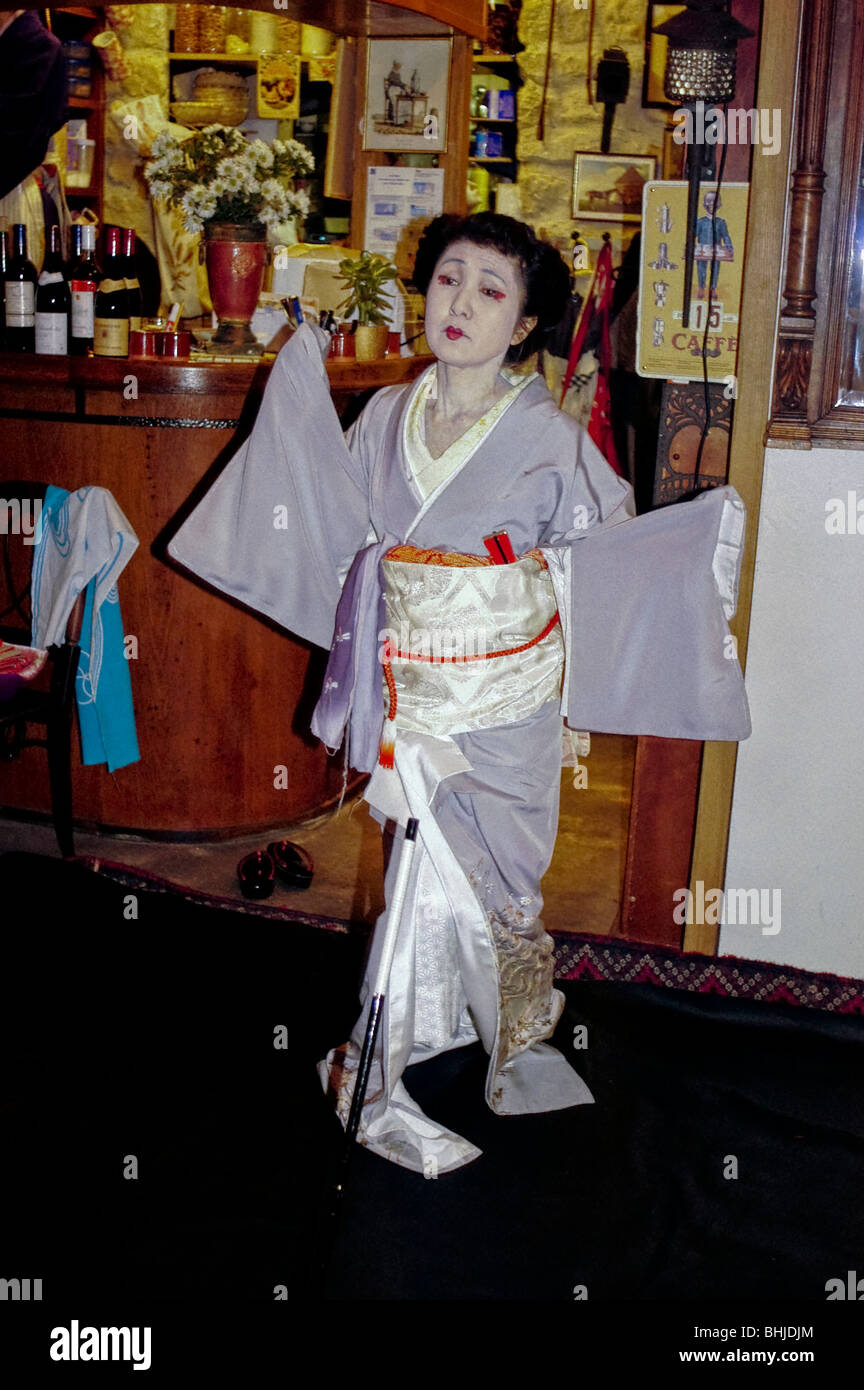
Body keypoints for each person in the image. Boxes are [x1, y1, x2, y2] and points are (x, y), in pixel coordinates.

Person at [168, 212, 750, 1176]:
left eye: (491, 289)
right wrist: (300, 400)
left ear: (523, 322)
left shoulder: (553, 441)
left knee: (498, 875)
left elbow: (601, 554)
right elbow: (342, 525)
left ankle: (494, 1022)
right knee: (414, 875)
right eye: (448, 278)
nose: (461, 303)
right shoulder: (388, 416)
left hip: (505, 696)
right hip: (412, 690)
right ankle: (381, 1058)